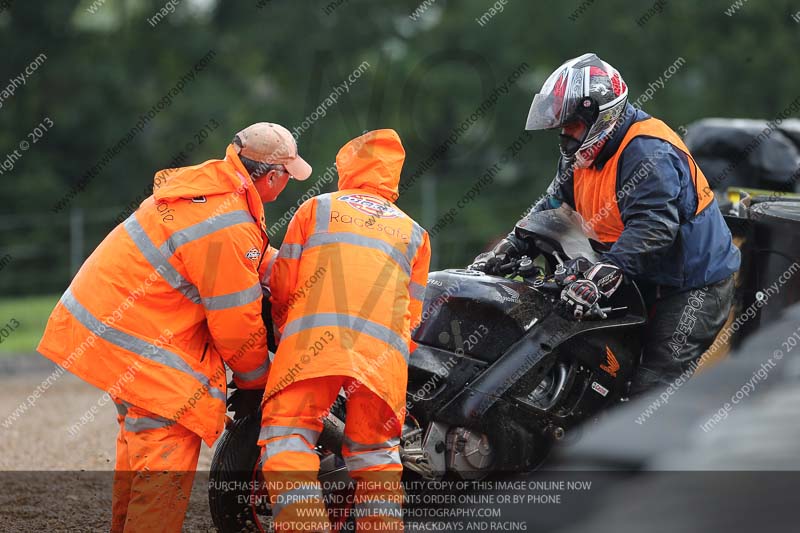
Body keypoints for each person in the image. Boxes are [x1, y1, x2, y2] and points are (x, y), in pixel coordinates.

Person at [37, 122, 312, 532]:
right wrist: (258, 383)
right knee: (164, 465)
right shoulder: (227, 225)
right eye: (289, 175)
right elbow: (236, 326)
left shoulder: (213, 190)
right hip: (147, 351)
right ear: (272, 177)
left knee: (141, 454)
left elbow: (247, 259)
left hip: (114, 339)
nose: (289, 183)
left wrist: (294, 273)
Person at [471, 53, 740, 395]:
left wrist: (604, 274)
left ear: (601, 115)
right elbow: (553, 205)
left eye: (572, 125)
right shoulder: (581, 151)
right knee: (596, 369)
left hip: (693, 285)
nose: (565, 135)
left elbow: (654, 228)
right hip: (642, 274)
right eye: (562, 127)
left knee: (649, 391)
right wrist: (513, 244)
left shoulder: (648, 151)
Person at [259, 129, 431, 532]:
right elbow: (413, 314)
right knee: (377, 457)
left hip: (312, 348)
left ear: (347, 168)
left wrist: (285, 333)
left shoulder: (317, 209)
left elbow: (283, 284)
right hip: (383, 362)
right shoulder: (415, 233)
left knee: (287, 438)